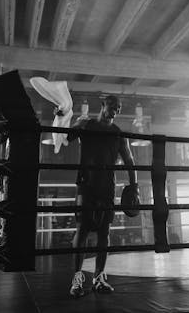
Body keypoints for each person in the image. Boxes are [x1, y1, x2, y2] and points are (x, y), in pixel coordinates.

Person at [56, 95, 138, 298]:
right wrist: (62, 117)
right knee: (82, 230)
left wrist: (134, 185)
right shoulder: (86, 124)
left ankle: (99, 279)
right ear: (103, 105)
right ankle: (76, 280)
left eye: (119, 108)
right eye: (113, 106)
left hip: (107, 187)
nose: (116, 110)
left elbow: (129, 159)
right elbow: (65, 138)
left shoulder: (118, 133)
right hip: (87, 184)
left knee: (104, 232)